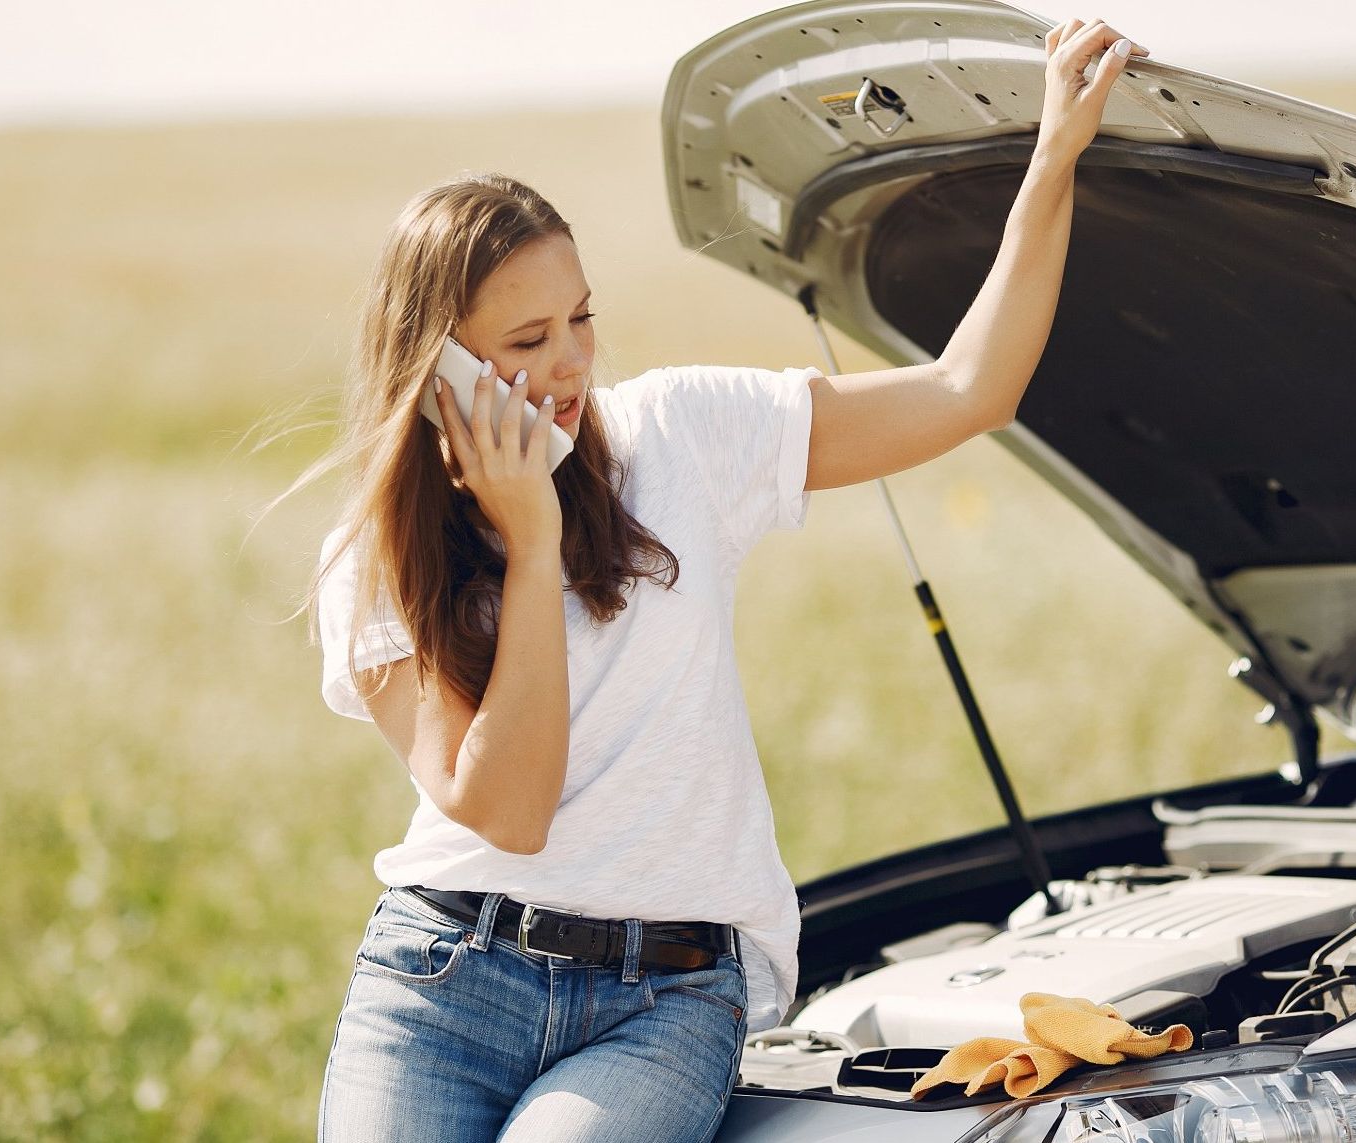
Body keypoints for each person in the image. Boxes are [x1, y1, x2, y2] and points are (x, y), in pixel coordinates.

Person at [310, 18, 1140, 1142]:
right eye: (524, 341)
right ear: (438, 365)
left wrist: (1051, 161)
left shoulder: (681, 435)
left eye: (582, 320)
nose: (567, 365)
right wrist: (533, 535)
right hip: (442, 980)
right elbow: (506, 807)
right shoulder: (375, 554)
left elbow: (965, 390)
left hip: (662, 1001)